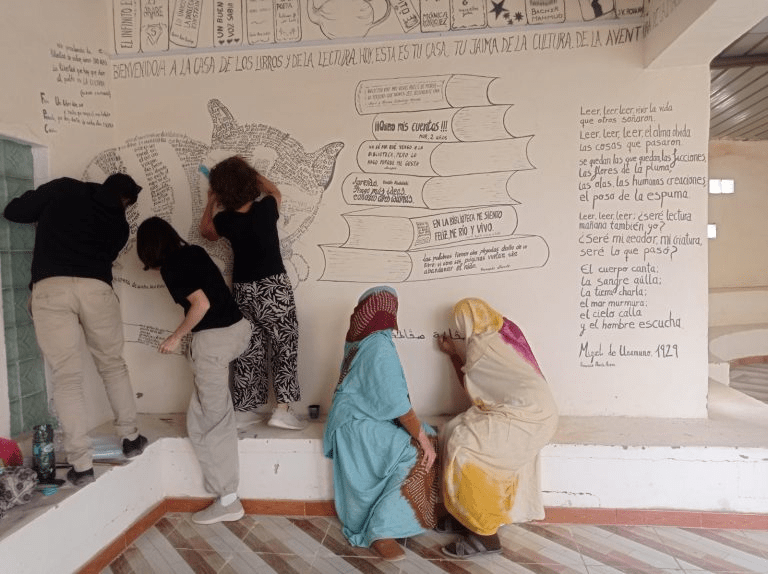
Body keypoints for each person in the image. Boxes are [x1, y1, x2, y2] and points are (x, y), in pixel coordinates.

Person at [3, 173, 148, 487]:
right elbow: (104, 255)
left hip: (50, 288)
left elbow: (14, 212)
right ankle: (131, 438)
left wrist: (44, 208)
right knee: (112, 365)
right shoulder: (119, 225)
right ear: (125, 200)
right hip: (97, 290)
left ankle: (82, 465)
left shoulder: (63, 187)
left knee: (66, 376)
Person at [136, 216, 251, 525]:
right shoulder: (195, 253)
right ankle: (224, 492)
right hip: (238, 330)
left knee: (214, 422)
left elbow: (200, 305)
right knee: (201, 419)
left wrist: (176, 337)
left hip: (213, 343)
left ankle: (229, 499)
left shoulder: (172, 268)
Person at [436, 298, 559, 559]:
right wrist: (455, 354)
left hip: (525, 417)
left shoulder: (481, 346)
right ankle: (464, 514)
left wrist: (454, 355)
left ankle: (485, 535)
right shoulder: (506, 334)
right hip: (536, 412)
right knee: (452, 429)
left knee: (464, 449)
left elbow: (471, 388)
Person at [323, 286, 439, 562]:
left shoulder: (365, 341)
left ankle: (388, 516)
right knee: (418, 449)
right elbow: (397, 403)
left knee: (427, 433)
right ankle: (382, 530)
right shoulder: (378, 345)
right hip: (357, 426)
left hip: (350, 421)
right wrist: (423, 441)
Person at [199, 155, 305, 430]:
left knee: (249, 347)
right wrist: (251, 174)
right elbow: (275, 191)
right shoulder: (266, 209)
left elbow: (206, 232)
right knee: (284, 344)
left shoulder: (225, 220)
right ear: (249, 184)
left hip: (244, 290)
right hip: (274, 287)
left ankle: (244, 410)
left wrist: (211, 200)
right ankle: (282, 409)